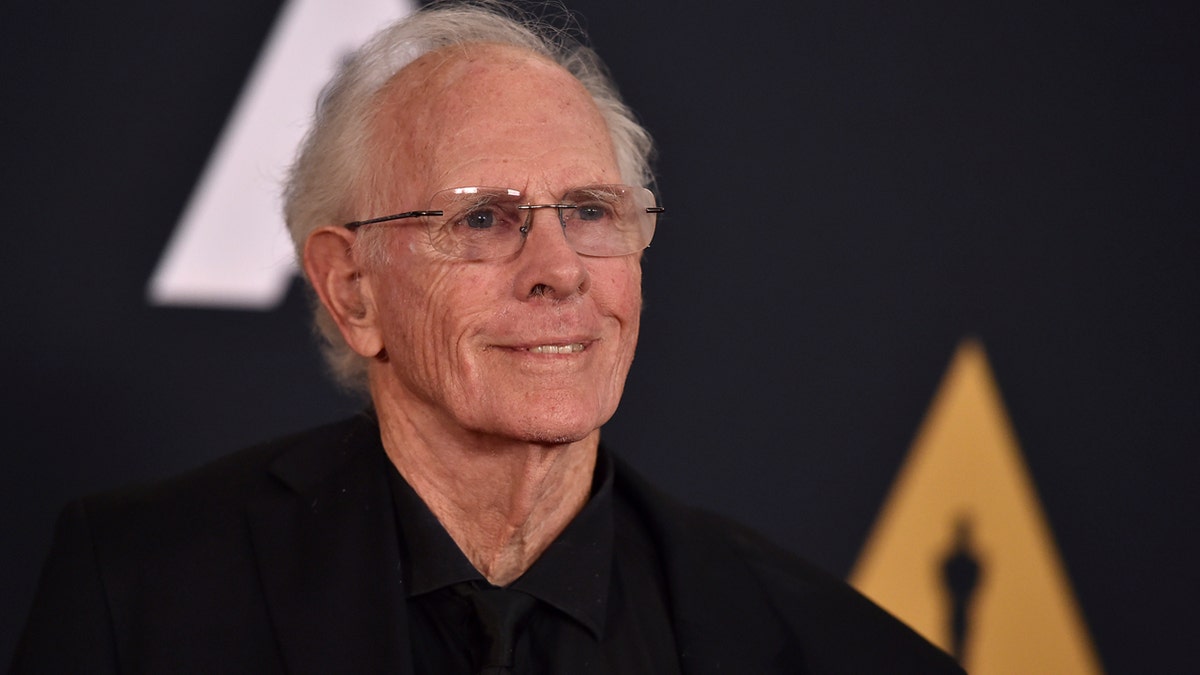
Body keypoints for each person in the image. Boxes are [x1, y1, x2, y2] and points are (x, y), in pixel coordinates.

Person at [12, 3, 964, 673]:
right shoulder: (139, 590)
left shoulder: (827, 648)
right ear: (353, 289)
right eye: (481, 220)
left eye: (592, 210)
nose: (559, 268)